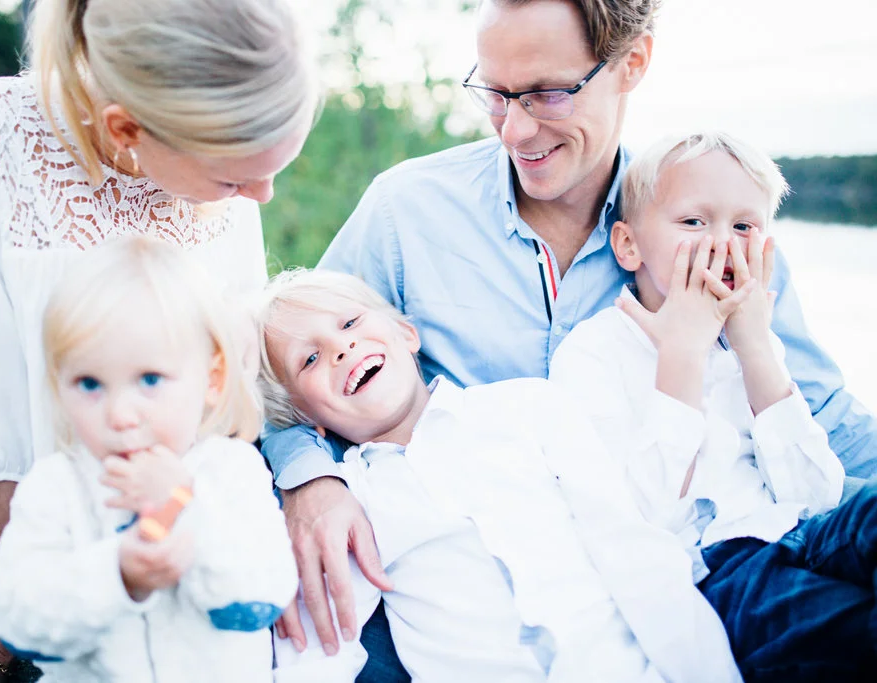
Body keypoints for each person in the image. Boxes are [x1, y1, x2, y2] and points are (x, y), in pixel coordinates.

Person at [261, 0, 877, 676]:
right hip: (598, 599)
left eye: (548, 93)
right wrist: (309, 477)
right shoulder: (406, 213)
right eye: (495, 94)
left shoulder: (706, 225)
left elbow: (824, 413)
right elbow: (288, 364)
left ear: (632, 63)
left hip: (702, 569)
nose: (516, 129)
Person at [0, 0, 317, 680]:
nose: (263, 197)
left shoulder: (226, 179)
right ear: (126, 127)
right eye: (234, 176)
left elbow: (237, 406)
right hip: (69, 579)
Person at [259, 268, 740, 683]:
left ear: (407, 334)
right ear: (305, 418)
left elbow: (633, 548)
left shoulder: (528, 407)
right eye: (310, 359)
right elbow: (323, 647)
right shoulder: (352, 505)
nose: (341, 348)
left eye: (350, 323)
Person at [549, 132, 877, 681]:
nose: (722, 243)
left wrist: (754, 349)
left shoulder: (750, 338)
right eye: (694, 223)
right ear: (628, 246)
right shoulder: (593, 354)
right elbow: (643, 519)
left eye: (743, 226)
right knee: (849, 629)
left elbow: (815, 495)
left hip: (798, 530)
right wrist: (682, 352)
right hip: (714, 571)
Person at [0, 236, 296, 681]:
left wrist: (185, 507)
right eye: (90, 384)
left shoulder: (232, 471)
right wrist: (116, 574)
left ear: (211, 379)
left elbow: (254, 601)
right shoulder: (55, 486)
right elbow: (18, 621)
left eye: (149, 379)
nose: (120, 414)